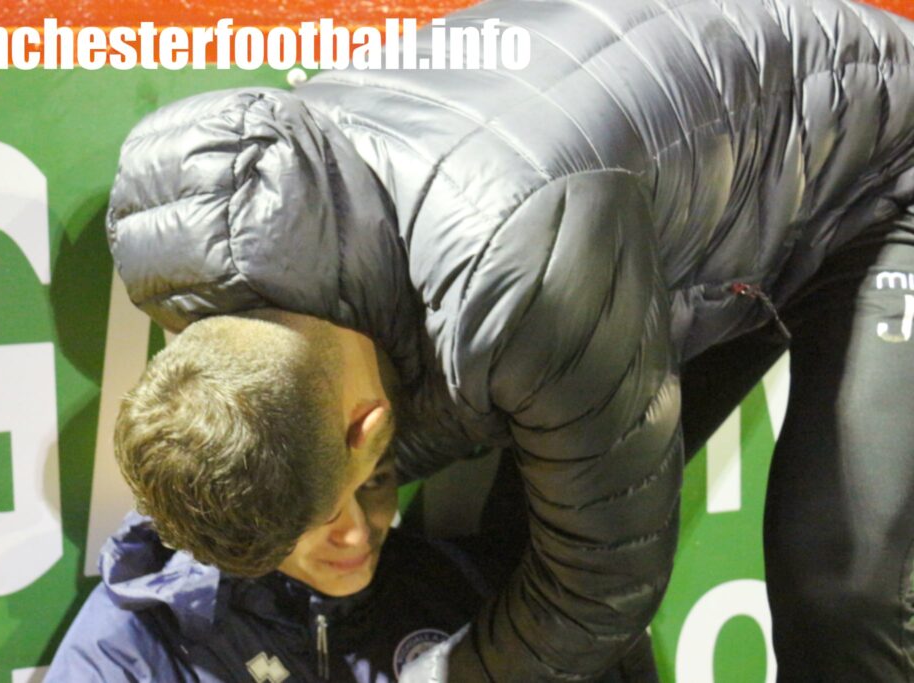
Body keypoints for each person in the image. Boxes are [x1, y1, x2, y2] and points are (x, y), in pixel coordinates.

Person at [105, 0, 914, 679]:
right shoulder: (178, 250)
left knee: (843, 589)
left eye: (326, 521)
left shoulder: (518, 275)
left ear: (369, 426)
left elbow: (603, 586)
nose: (348, 544)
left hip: (881, 166)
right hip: (672, 202)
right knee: (526, 547)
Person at [45, 313, 486, 682]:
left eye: (375, 482)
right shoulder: (127, 647)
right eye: (321, 510)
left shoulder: (451, 586)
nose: (355, 533)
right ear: (254, 501)